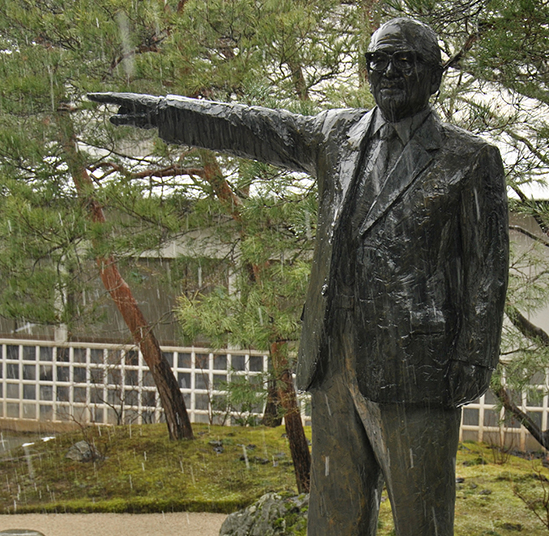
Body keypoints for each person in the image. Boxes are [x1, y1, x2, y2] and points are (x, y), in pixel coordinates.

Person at [90, 16, 508, 536]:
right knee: (334, 514)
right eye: (377, 60)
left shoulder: (470, 160)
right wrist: (167, 112)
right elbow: (254, 127)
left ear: (435, 75)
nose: (388, 71)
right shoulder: (339, 134)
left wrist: (474, 359)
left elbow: (488, 274)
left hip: (417, 369)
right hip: (333, 361)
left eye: (405, 60)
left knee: (421, 518)